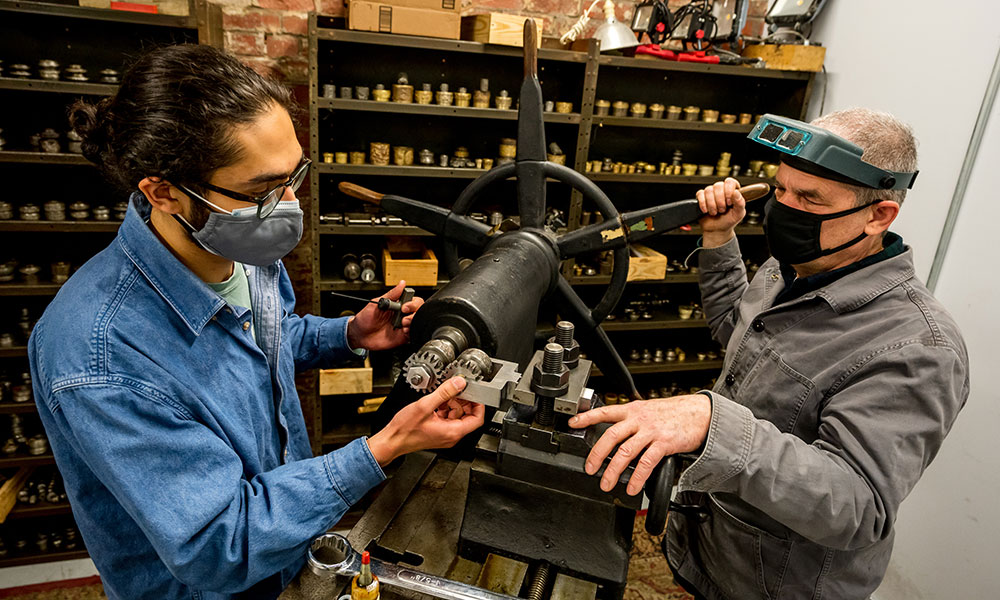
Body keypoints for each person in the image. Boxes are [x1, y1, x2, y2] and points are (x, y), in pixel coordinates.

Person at [28, 44, 483, 600]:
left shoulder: (239, 244)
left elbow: (263, 339)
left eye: (294, 177)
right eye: (261, 191)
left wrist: (346, 335)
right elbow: (219, 544)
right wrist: (381, 448)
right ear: (163, 192)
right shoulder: (98, 357)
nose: (287, 204)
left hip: (288, 553)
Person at [570, 108, 969, 598]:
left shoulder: (919, 348)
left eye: (809, 198)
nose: (783, 207)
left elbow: (857, 507)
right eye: (781, 189)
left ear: (878, 215)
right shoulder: (796, 268)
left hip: (777, 583)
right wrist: (719, 238)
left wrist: (713, 422)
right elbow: (733, 331)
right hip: (713, 550)